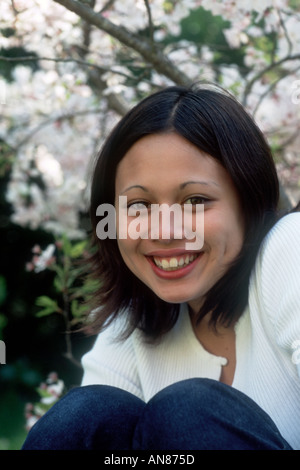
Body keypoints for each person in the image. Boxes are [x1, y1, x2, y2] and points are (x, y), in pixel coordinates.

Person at [22, 83, 300, 450]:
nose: (164, 231)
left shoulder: (289, 248)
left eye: (196, 200)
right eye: (138, 206)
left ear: (247, 204)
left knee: (190, 410)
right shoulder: (132, 324)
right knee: (85, 415)